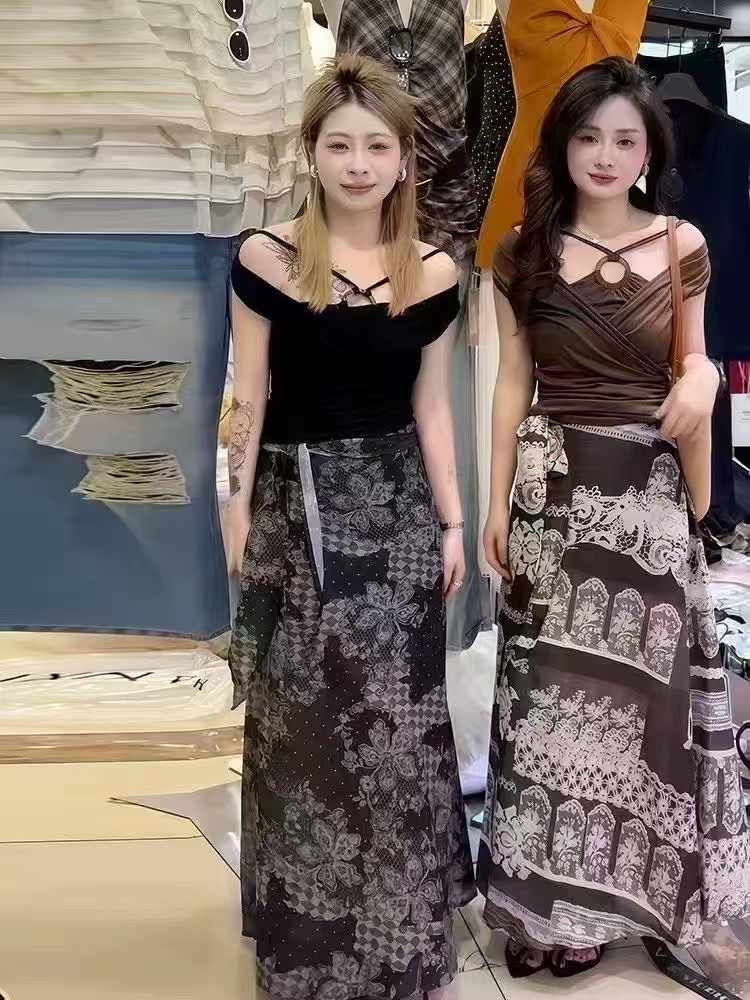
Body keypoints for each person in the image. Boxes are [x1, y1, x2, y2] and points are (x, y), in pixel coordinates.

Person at [479, 56, 750, 979]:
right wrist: (493, 501)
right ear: (563, 142)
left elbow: (693, 360)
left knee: (638, 713)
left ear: (649, 153)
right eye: (588, 135)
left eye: (625, 139)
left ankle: (608, 908)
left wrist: (703, 384)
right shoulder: (521, 249)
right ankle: (541, 904)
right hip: (551, 497)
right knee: (542, 706)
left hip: (647, 502)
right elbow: (511, 382)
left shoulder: (681, 244)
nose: (605, 155)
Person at [226, 53, 476, 1000]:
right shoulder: (266, 258)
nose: (359, 164)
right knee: (299, 727)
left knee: (397, 731)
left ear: (405, 159)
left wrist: (454, 522)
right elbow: (245, 399)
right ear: (312, 153)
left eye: (377, 146)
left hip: (398, 519)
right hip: (294, 513)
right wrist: (233, 509)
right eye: (340, 145)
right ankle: (304, 945)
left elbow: (434, 407)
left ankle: (398, 939)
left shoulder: (435, 272)